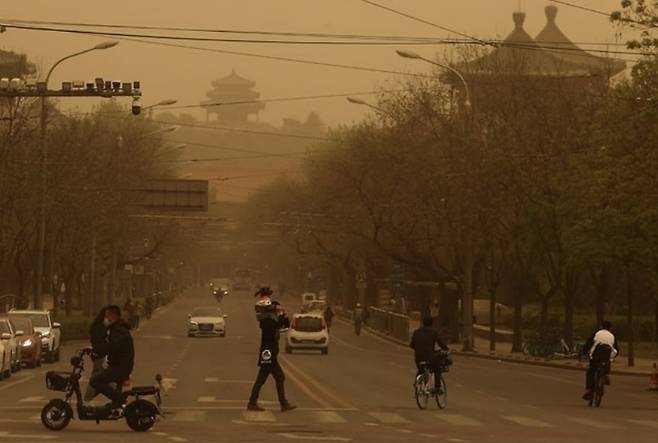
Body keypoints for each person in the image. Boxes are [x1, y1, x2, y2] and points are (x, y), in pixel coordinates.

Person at [247, 298, 296, 412]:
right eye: (275, 310)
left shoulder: (270, 319)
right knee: (270, 378)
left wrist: (283, 314)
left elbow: (285, 325)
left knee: (271, 378)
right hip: (268, 354)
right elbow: (279, 324)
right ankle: (281, 404)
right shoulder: (267, 321)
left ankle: (254, 402)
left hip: (270, 353)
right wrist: (281, 312)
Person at [89, 305, 135, 409]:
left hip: (120, 367)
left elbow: (112, 347)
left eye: (107, 316)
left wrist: (98, 350)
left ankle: (119, 398)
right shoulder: (117, 329)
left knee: (95, 380)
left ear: (114, 316)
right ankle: (116, 403)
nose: (106, 319)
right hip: (120, 365)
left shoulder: (119, 331)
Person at [581, 320, 619, 401]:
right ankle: (606, 374)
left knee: (590, 371)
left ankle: (588, 390)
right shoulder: (612, 336)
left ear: (601, 326)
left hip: (596, 356)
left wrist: (584, 353)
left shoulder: (596, 333)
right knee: (608, 360)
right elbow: (616, 349)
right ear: (611, 328)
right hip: (607, 356)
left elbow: (588, 344)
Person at [410, 317, 449, 389]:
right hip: (429, 358)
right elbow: (441, 343)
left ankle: (417, 382)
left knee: (421, 369)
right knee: (437, 368)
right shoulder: (433, 332)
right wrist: (446, 348)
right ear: (432, 324)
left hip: (418, 358)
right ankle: (437, 387)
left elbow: (412, 345)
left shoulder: (416, 332)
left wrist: (419, 349)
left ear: (422, 323)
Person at [84, 306, 109, 401]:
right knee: (96, 376)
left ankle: (91, 395)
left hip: (99, 354)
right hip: (99, 354)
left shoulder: (99, 326)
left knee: (98, 375)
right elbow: (98, 340)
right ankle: (89, 397)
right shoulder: (99, 327)